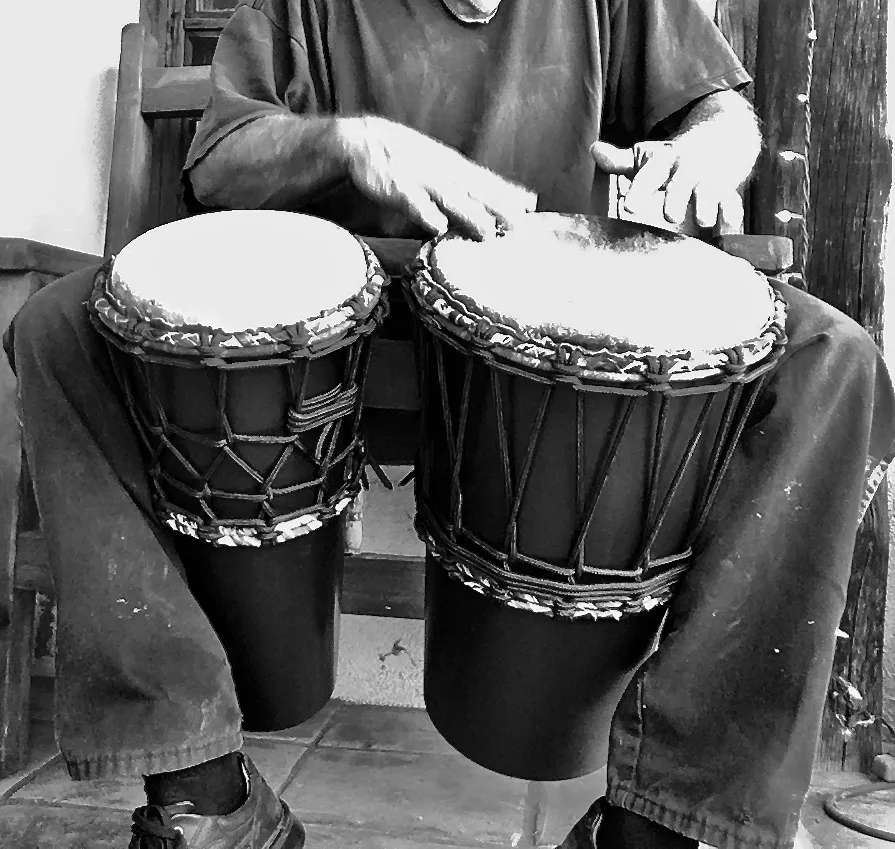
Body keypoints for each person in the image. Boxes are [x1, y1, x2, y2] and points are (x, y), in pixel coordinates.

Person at [3, 1, 893, 848]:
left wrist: (707, 149)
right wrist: (349, 143)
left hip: (552, 328)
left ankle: (664, 819)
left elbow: (717, 105)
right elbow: (220, 157)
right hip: (345, 324)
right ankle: (203, 793)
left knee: (833, 360)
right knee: (57, 329)